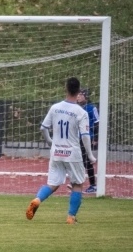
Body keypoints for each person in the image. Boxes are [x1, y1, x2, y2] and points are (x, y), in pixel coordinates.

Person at [26, 77, 96, 224]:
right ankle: (71, 217)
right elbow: (85, 136)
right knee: (77, 184)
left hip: (56, 152)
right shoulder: (80, 112)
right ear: (78, 92)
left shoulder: (55, 107)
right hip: (73, 153)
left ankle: (37, 200)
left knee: (53, 184)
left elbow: (43, 128)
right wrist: (90, 155)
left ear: (66, 88)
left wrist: (51, 142)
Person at [76, 88, 99, 193]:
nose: (78, 96)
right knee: (78, 160)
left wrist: (95, 138)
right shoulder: (75, 108)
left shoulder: (91, 108)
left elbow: (97, 123)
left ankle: (92, 185)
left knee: (86, 162)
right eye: (78, 94)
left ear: (86, 96)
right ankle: (78, 182)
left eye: (81, 95)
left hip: (87, 137)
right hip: (76, 138)